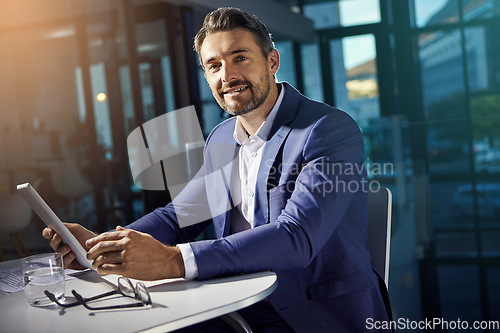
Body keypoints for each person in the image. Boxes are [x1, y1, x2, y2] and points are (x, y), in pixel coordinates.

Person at [43, 7, 391, 332]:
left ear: (272, 61)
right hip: (242, 303)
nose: (228, 75)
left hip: (319, 314)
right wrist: (105, 244)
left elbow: (296, 237)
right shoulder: (222, 138)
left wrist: (174, 261)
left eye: (240, 57)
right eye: (214, 65)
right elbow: (178, 217)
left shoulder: (327, 129)